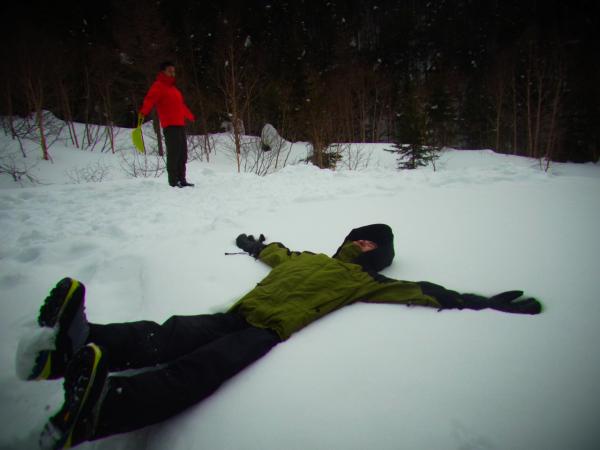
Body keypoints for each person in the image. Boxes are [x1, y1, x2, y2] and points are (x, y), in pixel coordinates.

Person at [18, 224, 542, 449]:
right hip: (239, 313)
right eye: (361, 238)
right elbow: (277, 253)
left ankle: (102, 410)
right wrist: (254, 244)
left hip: (264, 332)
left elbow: (423, 291)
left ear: (377, 257)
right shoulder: (307, 257)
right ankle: (71, 348)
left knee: (194, 372)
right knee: (168, 334)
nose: (363, 246)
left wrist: (481, 300)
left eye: (372, 246)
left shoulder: (366, 282)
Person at [139, 61, 196, 188]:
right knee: (174, 153)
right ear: (163, 72)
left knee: (182, 154)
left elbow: (180, 106)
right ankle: (173, 181)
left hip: (180, 124)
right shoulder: (158, 86)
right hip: (170, 125)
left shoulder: (174, 89)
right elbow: (149, 99)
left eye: (173, 71)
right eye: (170, 71)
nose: (172, 73)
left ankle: (182, 179)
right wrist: (143, 112)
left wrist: (190, 116)